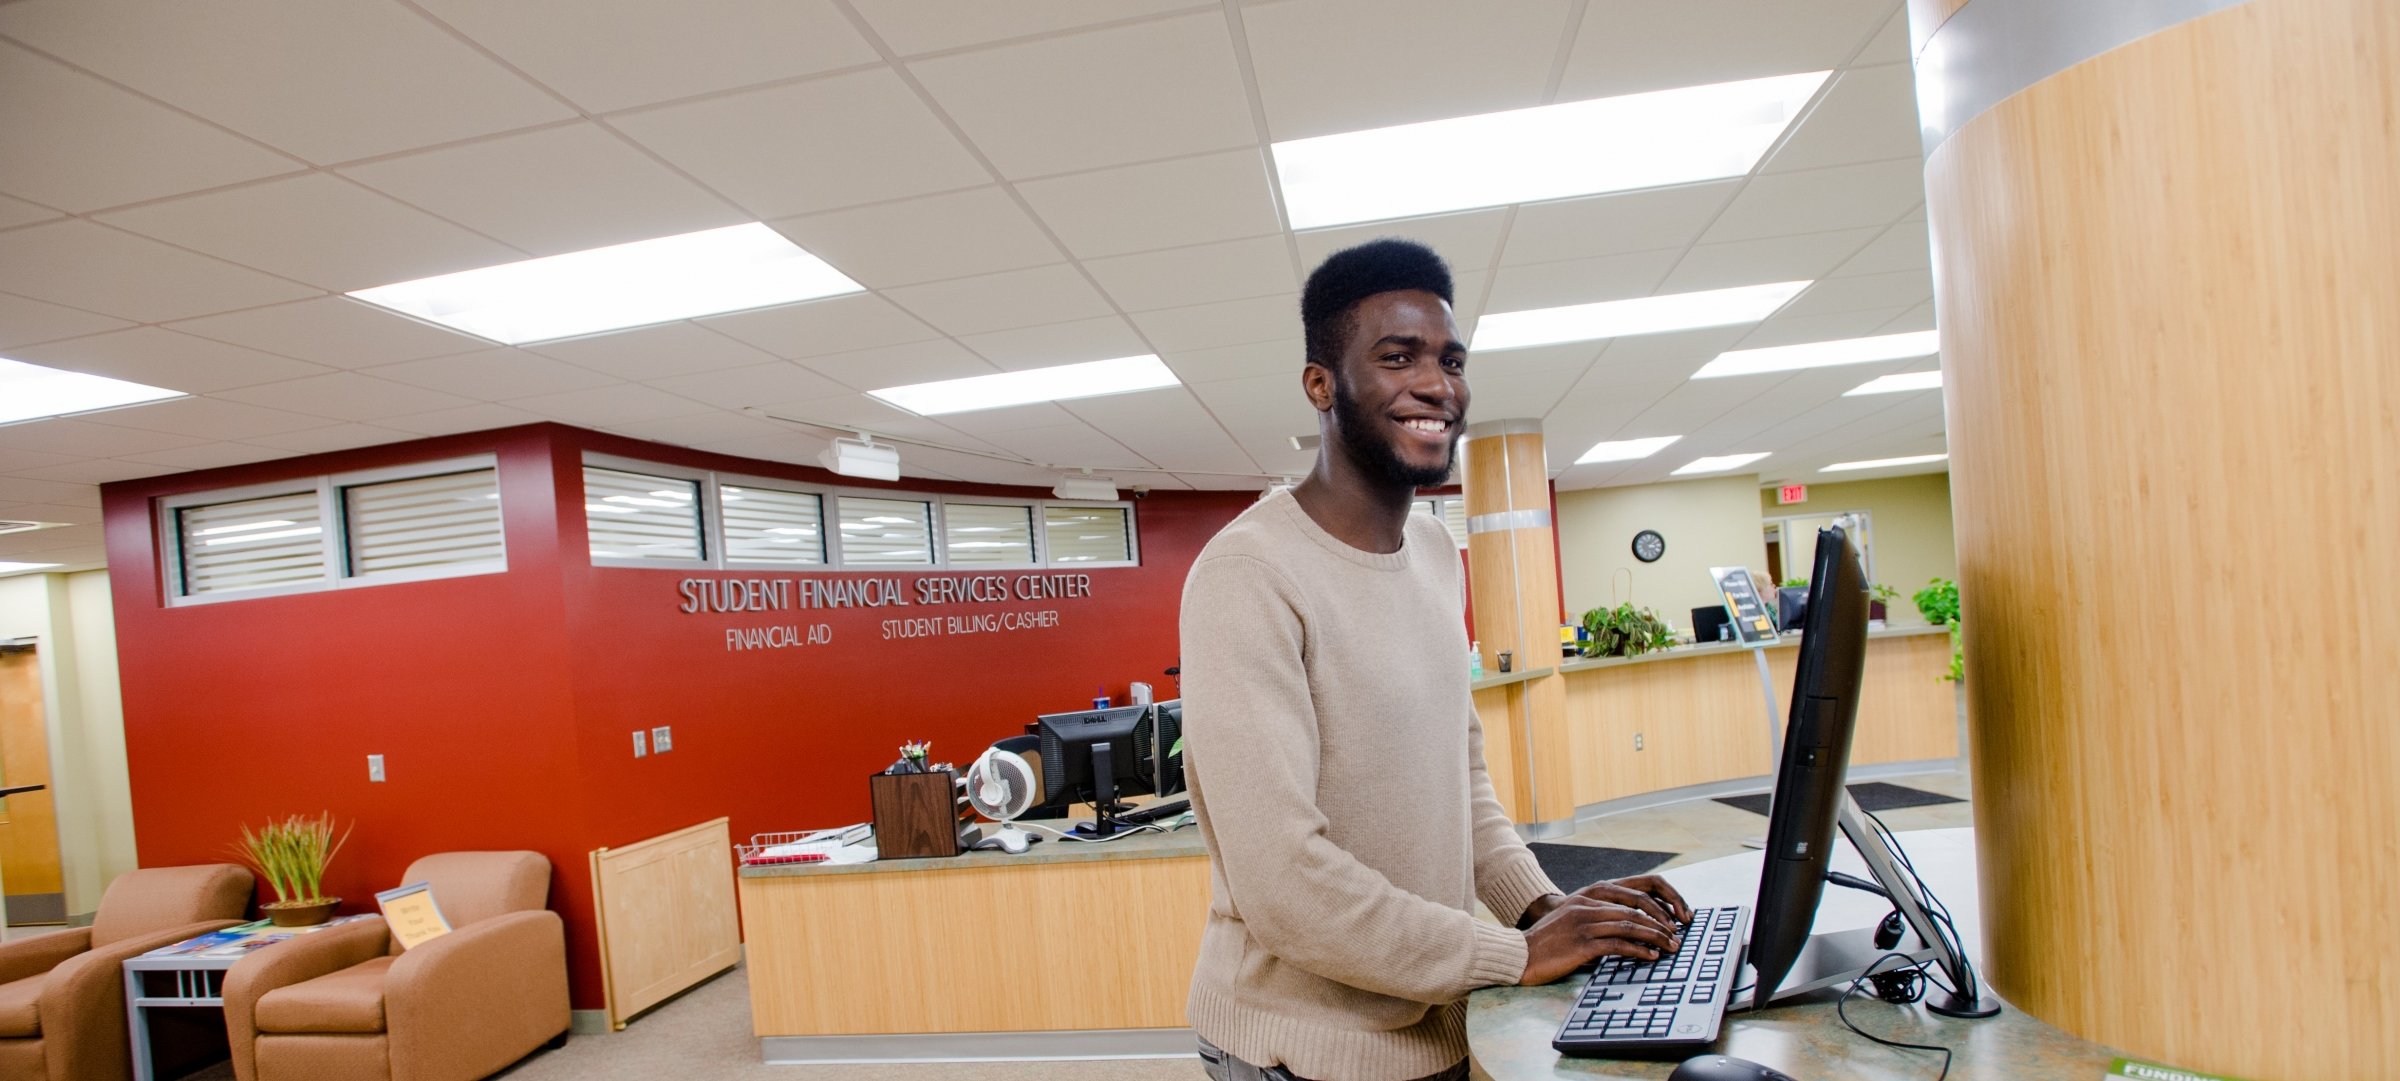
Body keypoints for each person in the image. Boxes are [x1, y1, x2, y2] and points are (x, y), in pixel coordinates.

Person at [1179, 239, 1693, 1081]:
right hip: (1303, 1049)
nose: (1437, 385)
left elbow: (1463, 781)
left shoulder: (1433, 549)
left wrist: (1546, 909)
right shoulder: (1248, 575)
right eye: (1398, 357)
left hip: (1440, 1017)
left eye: (1451, 359)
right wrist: (1513, 955)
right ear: (1321, 385)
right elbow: (1285, 884)